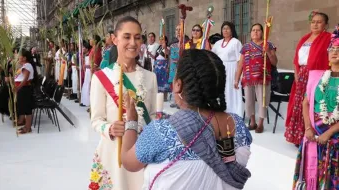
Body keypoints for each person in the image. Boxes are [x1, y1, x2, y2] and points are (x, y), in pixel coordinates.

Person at [121, 49, 252, 190]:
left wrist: (132, 120)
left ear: (178, 84)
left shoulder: (161, 132)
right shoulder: (238, 125)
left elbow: (129, 162)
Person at [89, 16, 158, 190]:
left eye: (137, 37)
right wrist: (110, 128)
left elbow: (154, 116)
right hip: (113, 152)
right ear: (115, 39)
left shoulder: (150, 78)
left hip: (141, 152)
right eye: (127, 37)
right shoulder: (101, 78)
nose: (133, 43)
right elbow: (96, 120)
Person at [292, 26, 339, 190]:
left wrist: (329, 132)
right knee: (312, 178)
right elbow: (306, 103)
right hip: (314, 135)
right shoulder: (316, 77)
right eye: (332, 48)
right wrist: (308, 128)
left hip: (335, 140)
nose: (335, 52)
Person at [285, 12, 331, 146]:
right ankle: (298, 136)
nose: (315, 24)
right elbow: (296, 59)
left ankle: (314, 133)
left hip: (318, 76)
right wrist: (296, 73)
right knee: (299, 105)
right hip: (302, 75)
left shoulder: (329, 38)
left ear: (326, 25)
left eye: (319, 22)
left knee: (313, 104)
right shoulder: (304, 38)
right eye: (313, 21)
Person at [234, 23, 278, 133]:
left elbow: (274, 62)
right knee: (249, 101)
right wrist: (236, 79)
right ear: (250, 33)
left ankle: (261, 124)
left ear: (262, 32)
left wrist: (267, 51)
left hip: (263, 78)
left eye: (258, 30)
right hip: (248, 79)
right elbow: (241, 64)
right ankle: (252, 122)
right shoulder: (245, 47)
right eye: (253, 30)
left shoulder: (268, 44)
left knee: (263, 100)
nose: (255, 32)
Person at [212, 21, 244, 116]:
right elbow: (212, 56)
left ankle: (235, 112)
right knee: (222, 91)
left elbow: (240, 61)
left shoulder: (236, 42)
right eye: (223, 28)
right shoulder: (218, 43)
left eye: (227, 28)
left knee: (232, 91)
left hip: (232, 70)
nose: (225, 30)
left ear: (232, 30)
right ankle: (223, 110)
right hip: (220, 70)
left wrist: (237, 77)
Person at [15, 49, 36, 134]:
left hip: (25, 89)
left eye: (20, 56)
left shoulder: (27, 65)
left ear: (24, 58)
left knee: (27, 108)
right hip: (23, 89)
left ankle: (28, 128)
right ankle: (26, 126)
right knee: (25, 107)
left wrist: (18, 87)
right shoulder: (24, 65)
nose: (18, 57)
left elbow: (25, 79)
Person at [80, 41, 92, 107]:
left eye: (84, 48)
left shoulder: (90, 54)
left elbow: (90, 64)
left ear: (87, 49)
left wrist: (86, 66)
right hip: (86, 71)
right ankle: (84, 100)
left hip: (89, 71)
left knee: (88, 84)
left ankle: (87, 101)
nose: (82, 49)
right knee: (85, 84)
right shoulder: (85, 55)